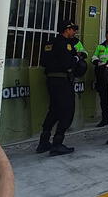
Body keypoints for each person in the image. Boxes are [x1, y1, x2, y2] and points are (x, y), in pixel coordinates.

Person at [36, 20, 82, 156]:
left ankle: (43, 141)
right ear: (66, 30)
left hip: (51, 79)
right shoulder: (65, 43)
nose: (74, 32)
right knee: (68, 110)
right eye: (72, 29)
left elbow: (43, 62)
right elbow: (68, 63)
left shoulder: (49, 43)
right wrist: (77, 60)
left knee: (54, 110)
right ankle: (57, 143)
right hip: (62, 80)